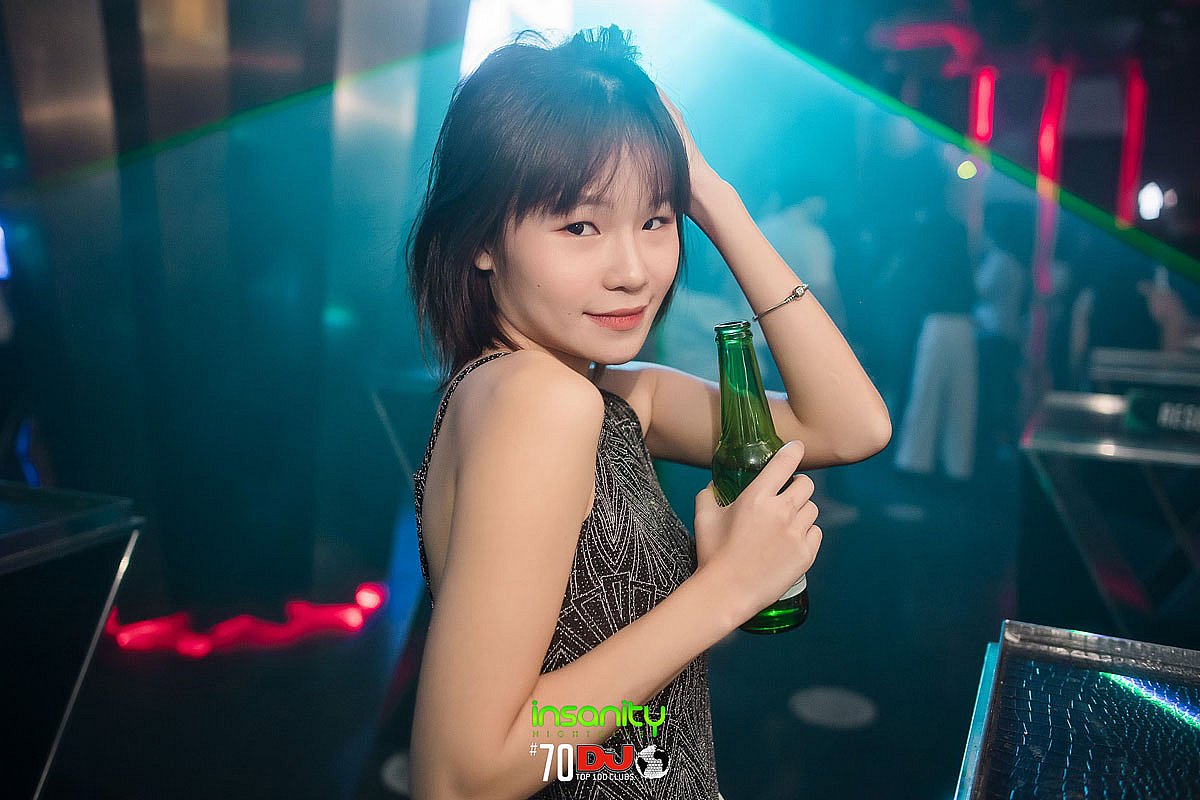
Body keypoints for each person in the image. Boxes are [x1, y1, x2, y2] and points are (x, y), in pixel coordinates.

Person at [405, 25, 891, 800]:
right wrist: (723, 590)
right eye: (580, 226)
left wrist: (712, 197)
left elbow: (851, 426)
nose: (633, 271)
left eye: (656, 220)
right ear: (481, 239)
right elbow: (463, 773)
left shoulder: (597, 393)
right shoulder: (541, 401)